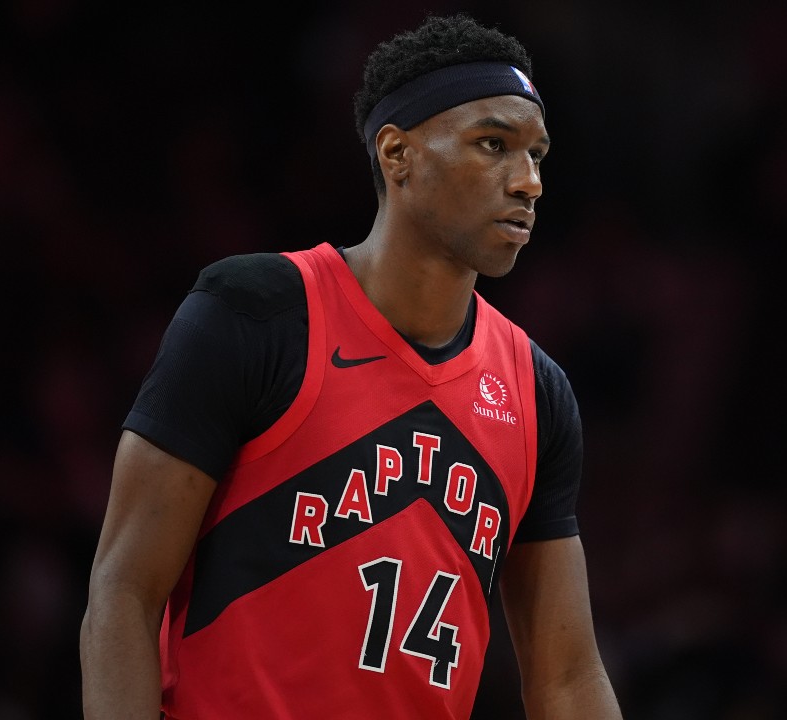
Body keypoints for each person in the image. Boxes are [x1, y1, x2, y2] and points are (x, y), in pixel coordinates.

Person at [79, 13, 622, 720]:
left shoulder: (536, 393)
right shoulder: (257, 314)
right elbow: (124, 590)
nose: (529, 183)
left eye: (537, 156)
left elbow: (568, 679)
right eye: (494, 145)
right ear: (398, 154)